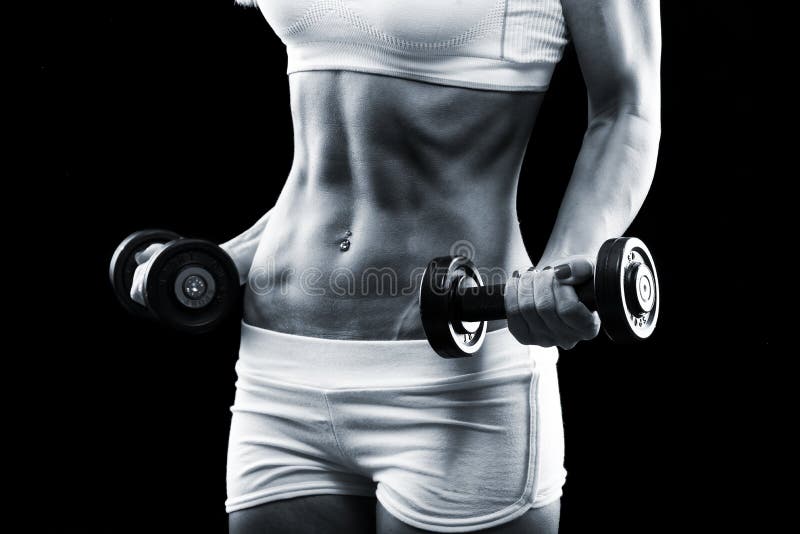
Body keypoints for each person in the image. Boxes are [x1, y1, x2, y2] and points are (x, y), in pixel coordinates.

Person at [132, 1, 660, 532]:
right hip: (278, 368)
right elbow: (341, 161)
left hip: (455, 383)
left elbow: (627, 110)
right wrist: (220, 261)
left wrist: (564, 266)